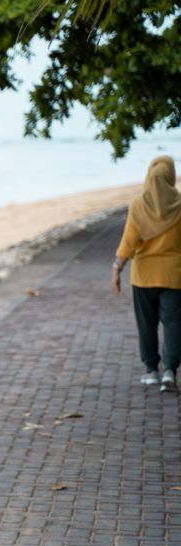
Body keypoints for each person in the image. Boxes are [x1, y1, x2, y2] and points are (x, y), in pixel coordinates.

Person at [112, 155, 181, 394]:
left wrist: (117, 269)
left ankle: (152, 371)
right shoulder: (180, 205)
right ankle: (170, 371)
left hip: (143, 277)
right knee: (173, 324)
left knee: (146, 324)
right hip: (174, 275)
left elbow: (128, 242)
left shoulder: (138, 205)